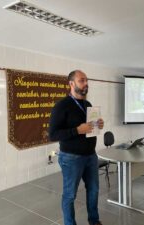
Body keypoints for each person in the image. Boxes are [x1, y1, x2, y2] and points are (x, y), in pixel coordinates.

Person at [49, 70, 104, 225]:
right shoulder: (61, 106)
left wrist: (98, 125)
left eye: (86, 80)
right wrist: (77, 130)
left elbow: (90, 128)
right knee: (70, 195)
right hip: (71, 158)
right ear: (71, 83)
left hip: (91, 156)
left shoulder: (88, 104)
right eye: (82, 80)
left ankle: (94, 221)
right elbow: (52, 135)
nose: (86, 83)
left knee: (93, 191)